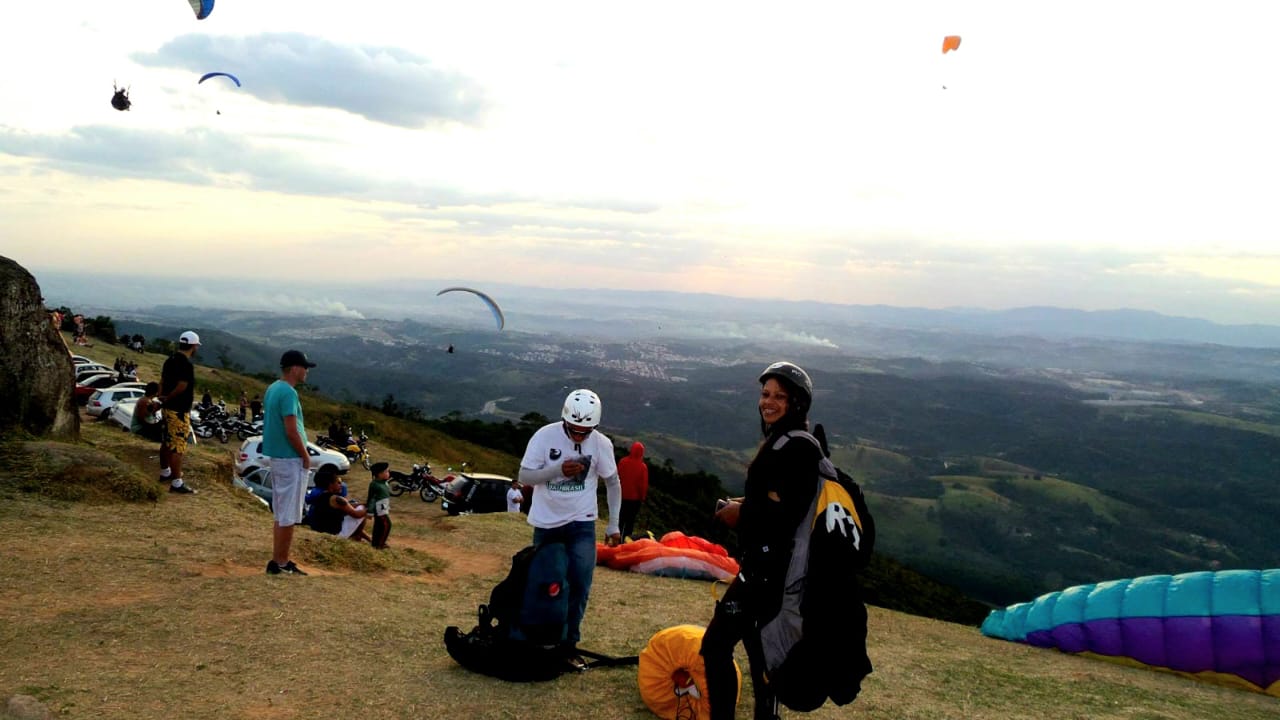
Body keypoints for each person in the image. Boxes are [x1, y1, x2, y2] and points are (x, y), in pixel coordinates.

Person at [701, 362, 824, 720]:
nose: (768, 402)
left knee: (720, 646)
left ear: (796, 403)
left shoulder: (796, 448)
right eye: (765, 394)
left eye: (779, 397)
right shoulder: (783, 441)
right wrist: (743, 503)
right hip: (763, 567)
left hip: (769, 573)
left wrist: (740, 514)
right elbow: (772, 500)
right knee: (759, 655)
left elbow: (788, 513)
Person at [517, 388, 621, 664]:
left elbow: (613, 482)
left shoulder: (601, 444)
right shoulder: (544, 436)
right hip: (547, 523)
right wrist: (557, 471)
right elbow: (524, 475)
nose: (578, 436)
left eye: (585, 432)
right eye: (573, 430)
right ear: (564, 420)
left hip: (582, 524)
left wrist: (613, 524)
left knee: (580, 584)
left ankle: (568, 643)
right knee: (546, 583)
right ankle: (541, 637)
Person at [263, 349, 318, 576]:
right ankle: (281, 562)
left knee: (282, 513)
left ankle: (279, 560)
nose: (307, 372)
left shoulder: (273, 388)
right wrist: (305, 456)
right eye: (305, 368)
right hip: (290, 458)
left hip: (279, 457)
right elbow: (291, 430)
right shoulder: (288, 393)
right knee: (288, 515)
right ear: (295, 369)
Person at [156, 330, 200, 495]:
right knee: (178, 447)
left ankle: (165, 472)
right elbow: (182, 386)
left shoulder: (170, 360)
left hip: (167, 409)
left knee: (167, 441)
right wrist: (168, 398)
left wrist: (161, 397)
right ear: (193, 346)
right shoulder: (186, 364)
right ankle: (176, 482)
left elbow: (162, 381)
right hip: (179, 410)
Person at [306, 466, 370, 542]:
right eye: (338, 482)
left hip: (320, 532)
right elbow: (357, 514)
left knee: (358, 506)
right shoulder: (336, 499)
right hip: (335, 535)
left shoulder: (321, 496)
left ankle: (361, 536)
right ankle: (356, 535)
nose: (341, 485)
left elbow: (348, 506)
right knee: (362, 509)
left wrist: (363, 504)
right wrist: (368, 508)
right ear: (330, 484)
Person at [617, 441, 649, 539]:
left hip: (620, 497)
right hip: (634, 500)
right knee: (630, 522)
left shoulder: (622, 462)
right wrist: (642, 498)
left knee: (620, 520)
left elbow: (616, 478)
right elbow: (643, 486)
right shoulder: (643, 467)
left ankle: (616, 541)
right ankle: (626, 542)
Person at [368, 462, 392, 549]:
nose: (388, 473)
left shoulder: (384, 482)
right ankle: (380, 544)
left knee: (378, 525)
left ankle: (375, 543)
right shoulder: (375, 484)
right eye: (386, 472)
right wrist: (370, 511)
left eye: (388, 471)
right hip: (379, 508)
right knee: (387, 525)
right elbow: (371, 498)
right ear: (379, 474)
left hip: (384, 506)